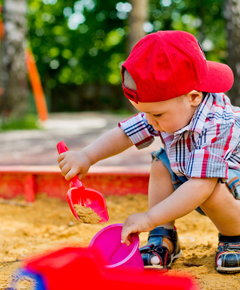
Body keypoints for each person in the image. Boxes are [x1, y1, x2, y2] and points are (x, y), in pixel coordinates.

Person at [58, 30, 240, 274]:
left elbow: (200, 186)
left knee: (210, 188)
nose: (150, 122)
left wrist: (148, 217)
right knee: (160, 162)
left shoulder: (219, 122)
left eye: (157, 115)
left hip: (230, 188)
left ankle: (234, 238)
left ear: (194, 97)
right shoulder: (166, 108)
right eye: (145, 113)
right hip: (195, 176)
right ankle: (162, 237)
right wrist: (87, 156)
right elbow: (125, 133)